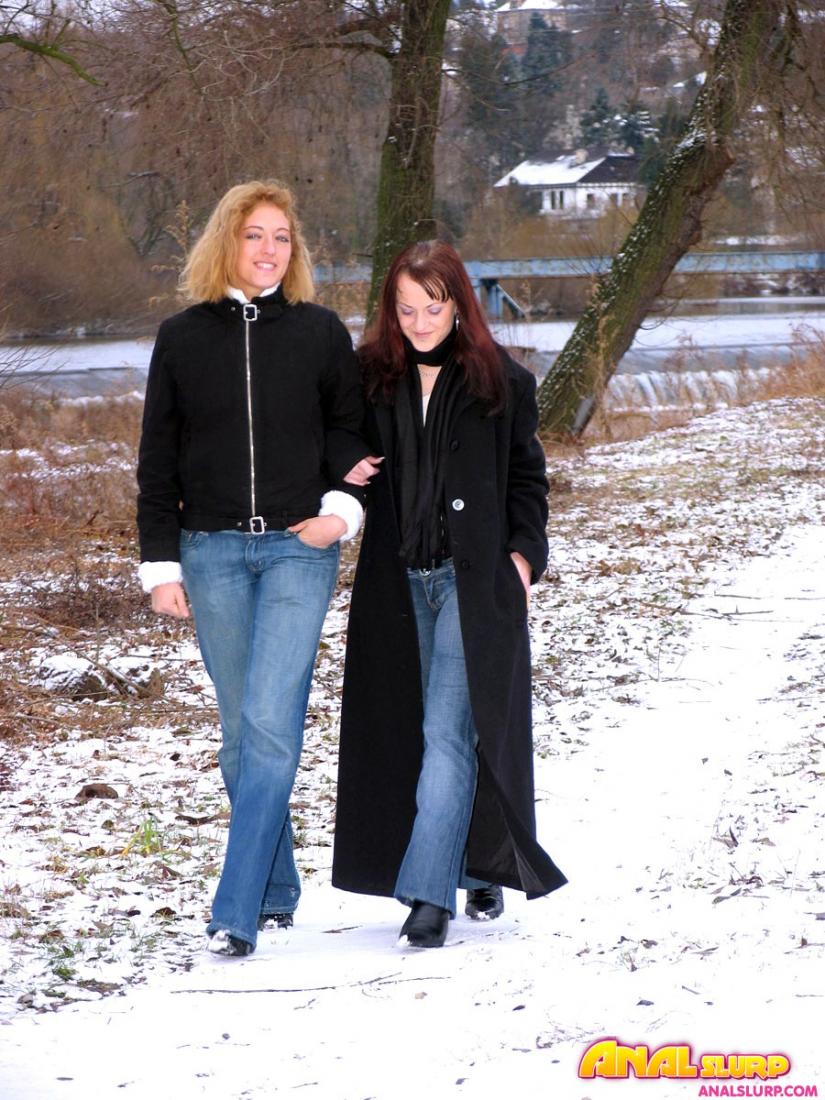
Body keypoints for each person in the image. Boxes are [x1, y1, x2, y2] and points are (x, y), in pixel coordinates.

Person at [136, 180, 370, 957]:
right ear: (225, 242)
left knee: (269, 725)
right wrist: (160, 564)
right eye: (253, 235)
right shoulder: (181, 337)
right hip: (211, 553)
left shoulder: (318, 332)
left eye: (281, 237)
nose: (269, 249)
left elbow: (350, 433)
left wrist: (342, 510)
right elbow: (157, 460)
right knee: (242, 732)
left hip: (298, 548)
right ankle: (274, 885)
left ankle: (234, 908)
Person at [332, 240, 567, 948]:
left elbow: (527, 480)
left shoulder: (503, 382)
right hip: (396, 585)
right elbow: (331, 439)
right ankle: (475, 865)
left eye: (432, 308)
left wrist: (522, 558)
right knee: (421, 732)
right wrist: (340, 464)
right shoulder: (369, 377)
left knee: (446, 731)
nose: (419, 322)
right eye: (405, 309)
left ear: (459, 304)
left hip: (472, 585)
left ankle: (429, 896)